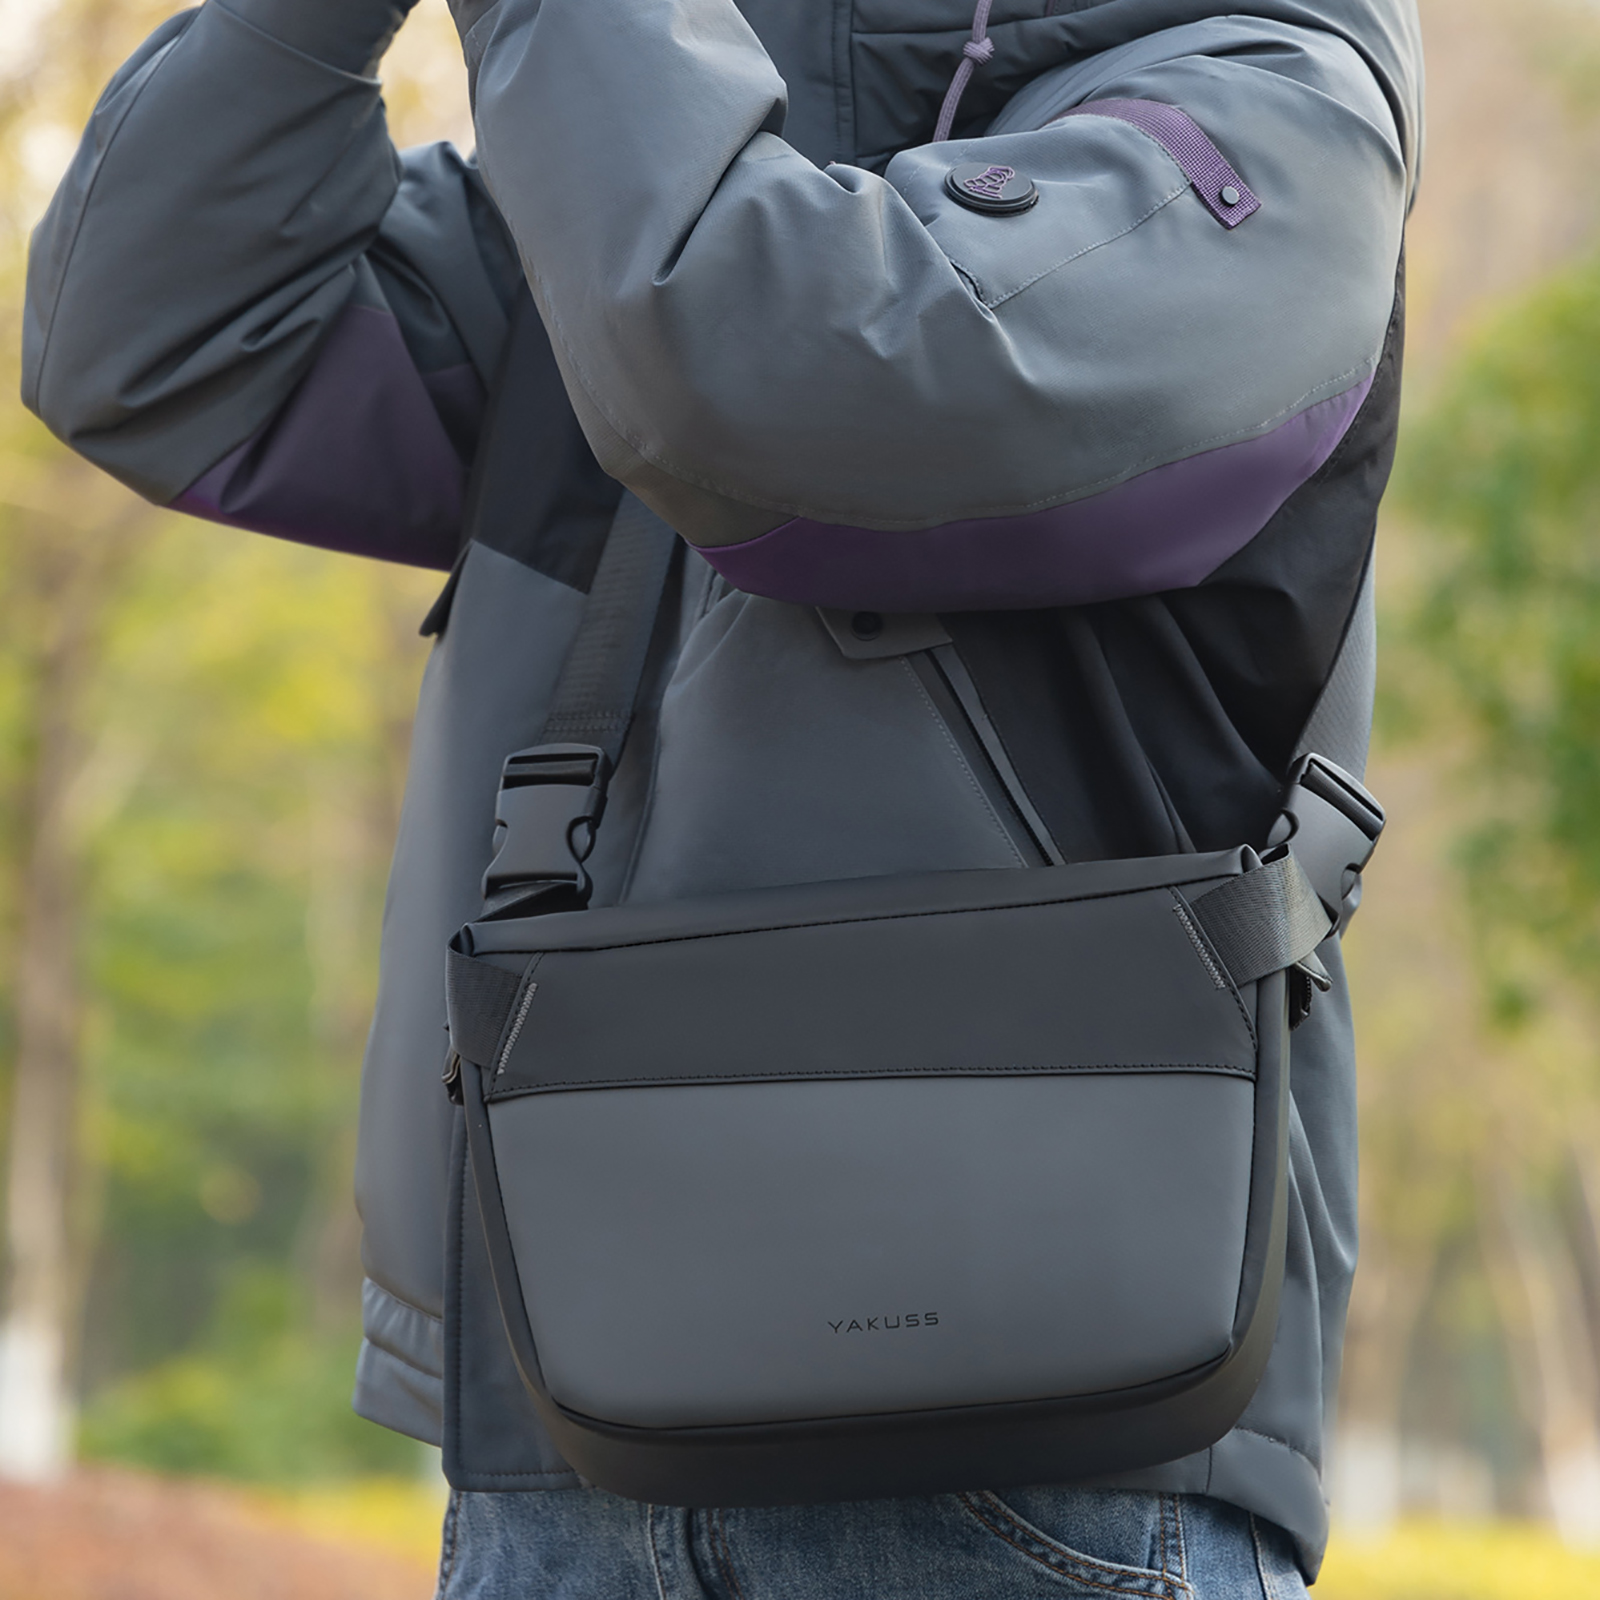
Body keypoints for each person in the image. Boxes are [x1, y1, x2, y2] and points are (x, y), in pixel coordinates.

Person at [24, 0, 1423, 1594]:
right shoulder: (629, 167)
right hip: (566, 1424)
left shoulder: (1266, 113)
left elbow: (788, 366)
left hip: (1052, 1458)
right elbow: (159, 340)